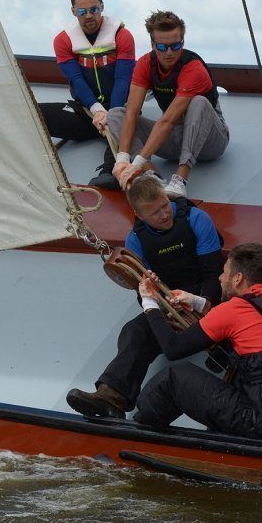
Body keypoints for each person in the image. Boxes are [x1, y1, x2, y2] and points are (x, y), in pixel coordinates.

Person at [66, 174, 223, 418]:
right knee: (134, 331)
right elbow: (142, 292)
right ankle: (112, 396)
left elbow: (214, 273)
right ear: (139, 216)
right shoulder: (136, 240)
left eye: (165, 205)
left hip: (207, 297)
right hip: (169, 303)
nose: (164, 214)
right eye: (155, 213)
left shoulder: (196, 219)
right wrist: (164, 310)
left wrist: (204, 304)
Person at [134, 243, 262, 441]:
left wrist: (150, 303)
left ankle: (134, 437)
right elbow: (251, 331)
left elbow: (173, 347)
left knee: (174, 378)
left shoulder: (234, 310)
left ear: (238, 278)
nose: (220, 279)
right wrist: (197, 302)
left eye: (224, 273)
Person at [109, 11, 229, 199]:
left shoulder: (193, 69)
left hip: (209, 141)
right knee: (116, 114)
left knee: (199, 102)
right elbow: (132, 112)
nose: (170, 52)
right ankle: (152, 175)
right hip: (175, 138)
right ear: (153, 45)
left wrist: (136, 163)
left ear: (183, 42)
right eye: (163, 47)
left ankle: (179, 181)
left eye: (176, 45)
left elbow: (167, 121)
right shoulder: (145, 64)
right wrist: (123, 159)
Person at [38, 0, 135, 189]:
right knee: (36, 113)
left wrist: (112, 114)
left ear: (102, 7)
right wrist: (97, 110)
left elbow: (123, 80)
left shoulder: (122, 36)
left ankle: (110, 172)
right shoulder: (63, 41)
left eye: (94, 9)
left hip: (120, 109)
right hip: (87, 112)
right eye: (82, 11)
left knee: (126, 127)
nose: (89, 15)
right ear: (73, 11)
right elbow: (76, 80)